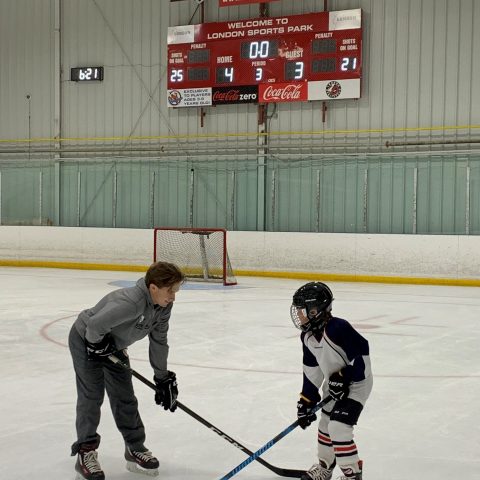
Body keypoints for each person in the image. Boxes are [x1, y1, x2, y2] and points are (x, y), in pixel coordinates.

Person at [68, 261, 185, 480]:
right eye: (170, 290)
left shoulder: (164, 307)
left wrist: (161, 377)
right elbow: (94, 326)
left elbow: (159, 340)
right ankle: (85, 452)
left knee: (125, 397)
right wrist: (96, 345)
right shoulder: (131, 303)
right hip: (85, 339)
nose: (173, 296)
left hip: (112, 344)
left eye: (176, 291)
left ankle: (134, 447)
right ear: (153, 288)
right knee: (92, 395)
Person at [290, 282, 373, 480]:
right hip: (333, 387)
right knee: (325, 425)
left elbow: (361, 358)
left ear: (315, 311)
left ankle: (352, 475)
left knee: (339, 427)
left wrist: (344, 377)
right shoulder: (307, 337)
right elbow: (312, 373)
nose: (299, 315)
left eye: (302, 310)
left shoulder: (339, 327)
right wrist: (306, 402)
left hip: (357, 385)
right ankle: (325, 468)